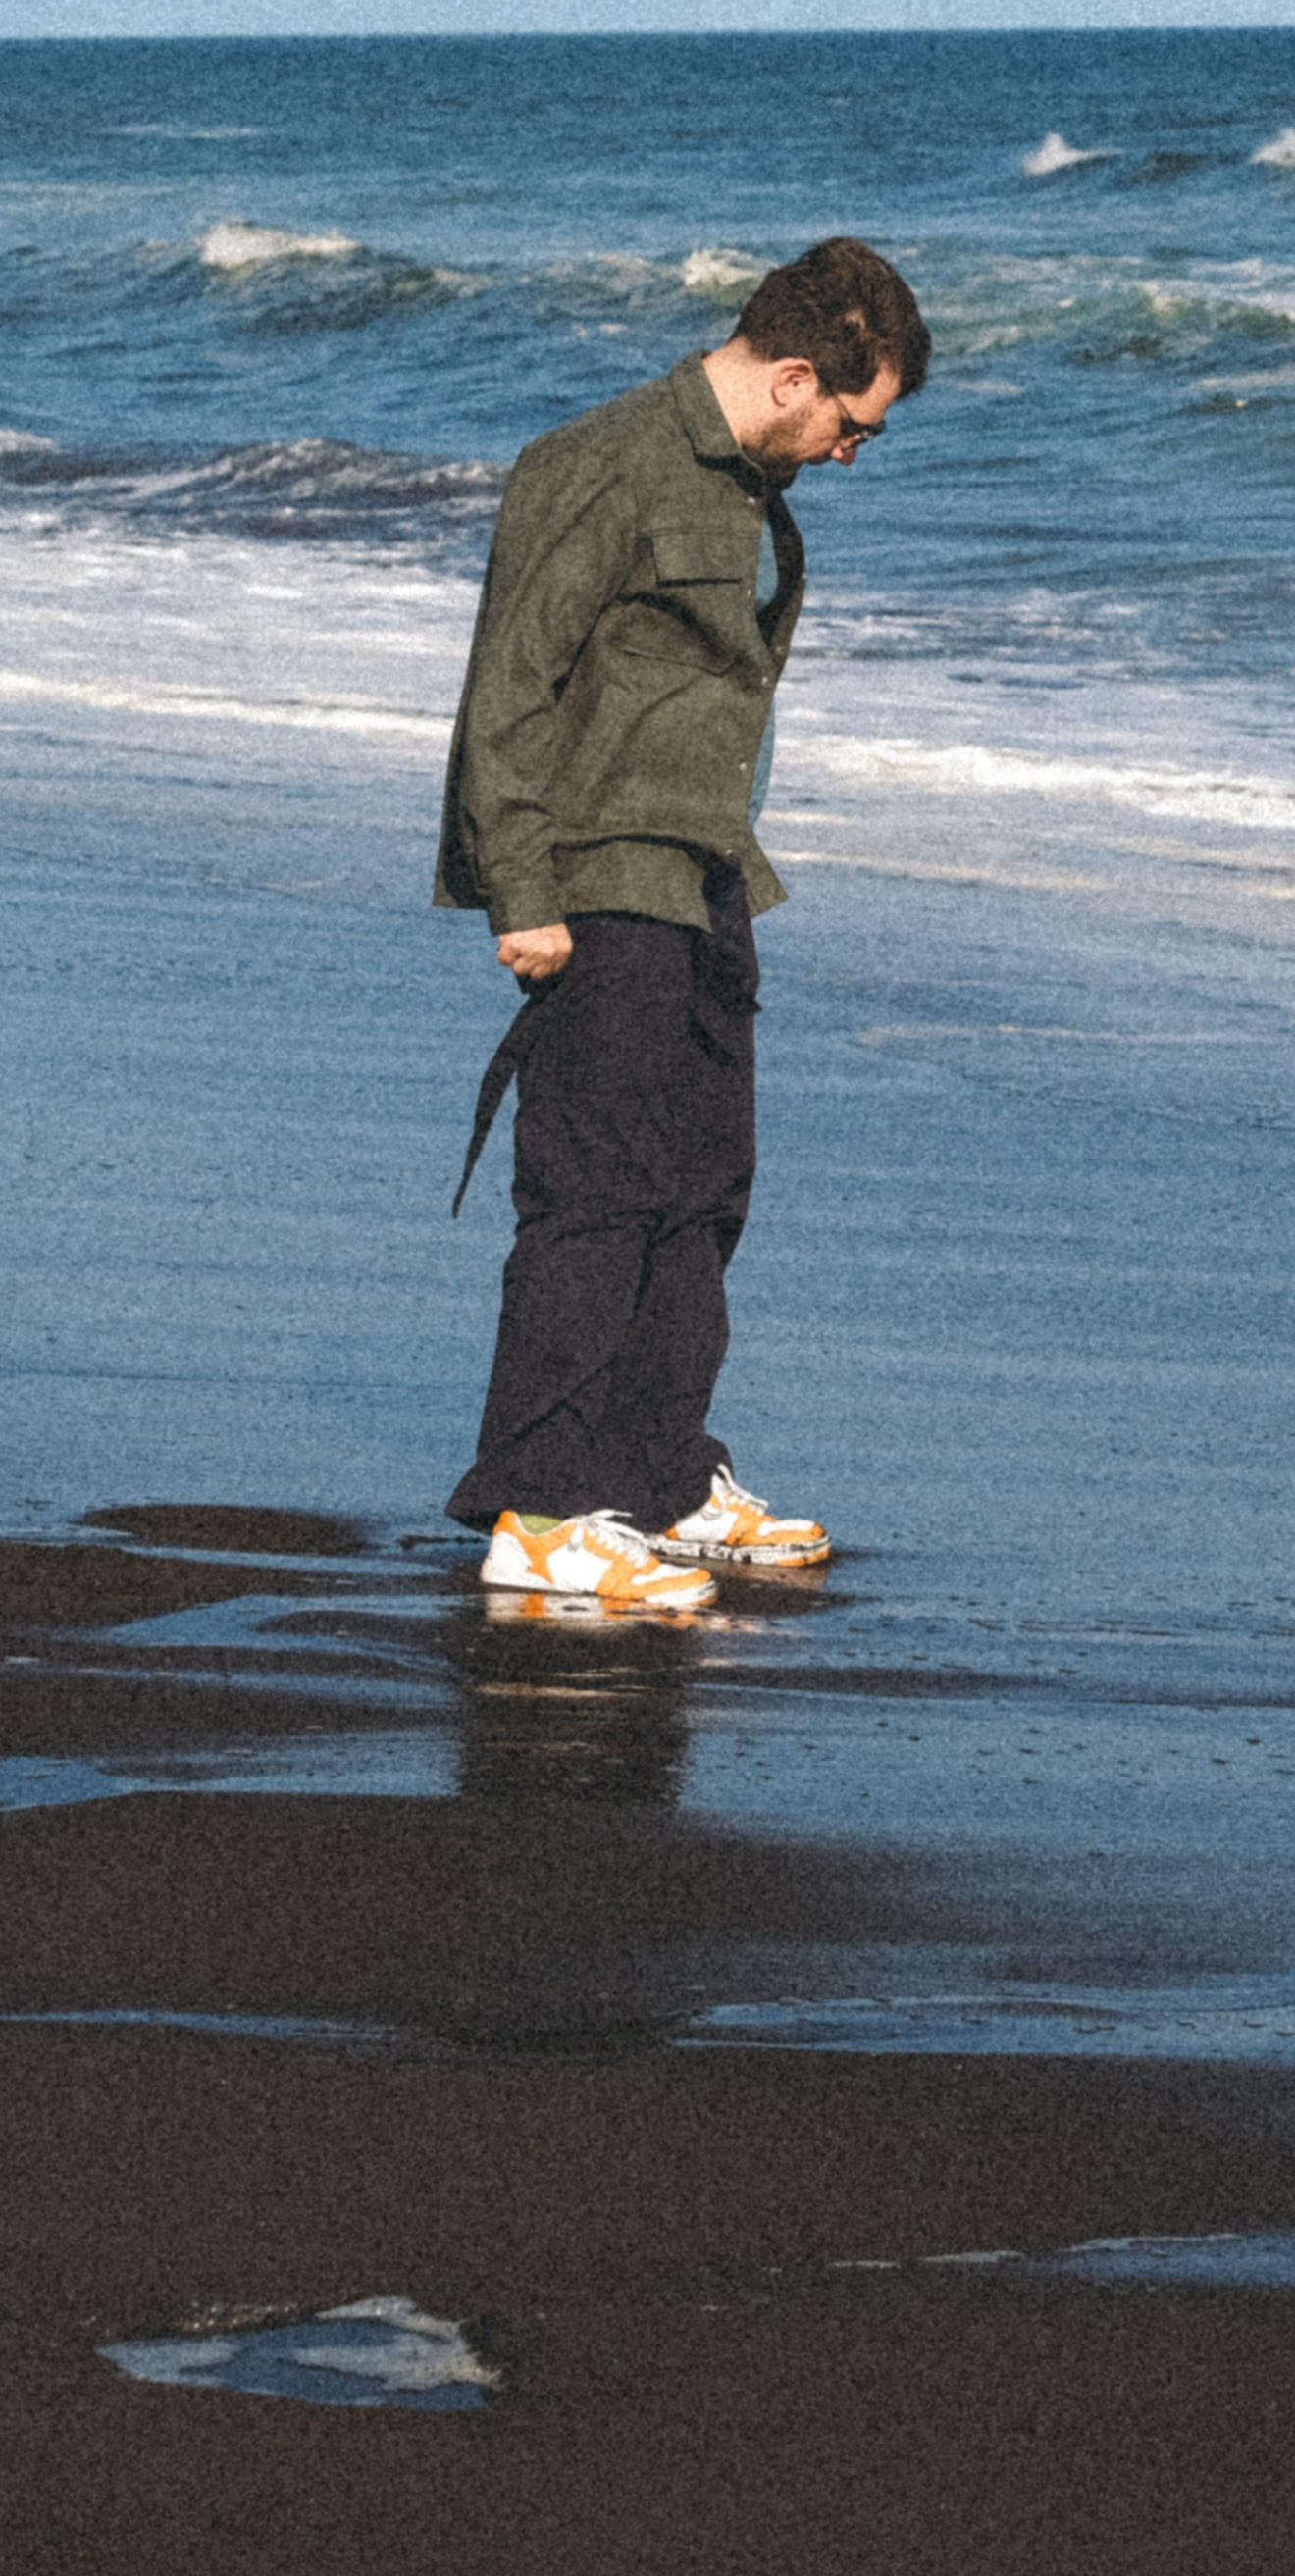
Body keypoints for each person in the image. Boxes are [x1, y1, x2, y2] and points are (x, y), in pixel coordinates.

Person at [435, 235, 929, 1613]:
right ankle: (539, 1514)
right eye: (850, 423)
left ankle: (656, 1479)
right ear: (790, 377)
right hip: (600, 876)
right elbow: (508, 689)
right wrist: (520, 893)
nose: (847, 454)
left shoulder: (745, 486)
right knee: (595, 1194)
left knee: (704, 1188)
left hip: (709, 875)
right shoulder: (598, 466)